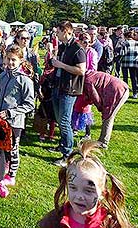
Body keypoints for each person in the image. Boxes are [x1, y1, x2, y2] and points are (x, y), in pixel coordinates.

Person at [38, 141, 133, 228]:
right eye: (73, 188)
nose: (79, 196)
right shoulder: (54, 220)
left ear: (102, 193)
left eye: (88, 190)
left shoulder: (111, 223)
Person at [0, 45, 35, 198]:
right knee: (1, 149)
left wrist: (11, 112)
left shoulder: (25, 80)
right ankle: (1, 179)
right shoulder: (2, 76)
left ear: (21, 61)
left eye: (14, 60)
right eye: (8, 59)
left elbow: (30, 104)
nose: (10, 62)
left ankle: (12, 176)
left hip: (15, 122)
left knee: (12, 150)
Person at [49, 21, 86, 167]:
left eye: (57, 31)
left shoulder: (77, 49)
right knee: (60, 120)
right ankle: (63, 145)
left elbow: (81, 70)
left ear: (65, 31)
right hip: (59, 86)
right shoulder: (64, 47)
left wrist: (61, 65)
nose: (56, 34)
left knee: (64, 121)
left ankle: (67, 155)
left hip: (69, 90)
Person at [81, 71, 129, 148]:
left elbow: (95, 97)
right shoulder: (87, 74)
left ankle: (103, 143)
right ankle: (101, 140)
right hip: (119, 87)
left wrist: (100, 108)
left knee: (108, 116)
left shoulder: (87, 81)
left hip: (118, 91)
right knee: (107, 115)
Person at [72, 33, 98, 140]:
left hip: (87, 82)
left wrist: (83, 71)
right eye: (83, 40)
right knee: (75, 105)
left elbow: (93, 68)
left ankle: (87, 132)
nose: (85, 43)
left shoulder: (92, 52)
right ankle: (74, 128)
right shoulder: (77, 51)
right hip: (76, 81)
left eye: (87, 41)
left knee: (86, 107)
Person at [120, 31, 138, 99]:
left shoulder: (124, 43)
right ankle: (135, 93)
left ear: (126, 36)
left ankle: (125, 93)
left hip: (125, 62)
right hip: (134, 62)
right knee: (133, 78)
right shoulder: (137, 43)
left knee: (125, 78)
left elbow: (122, 53)